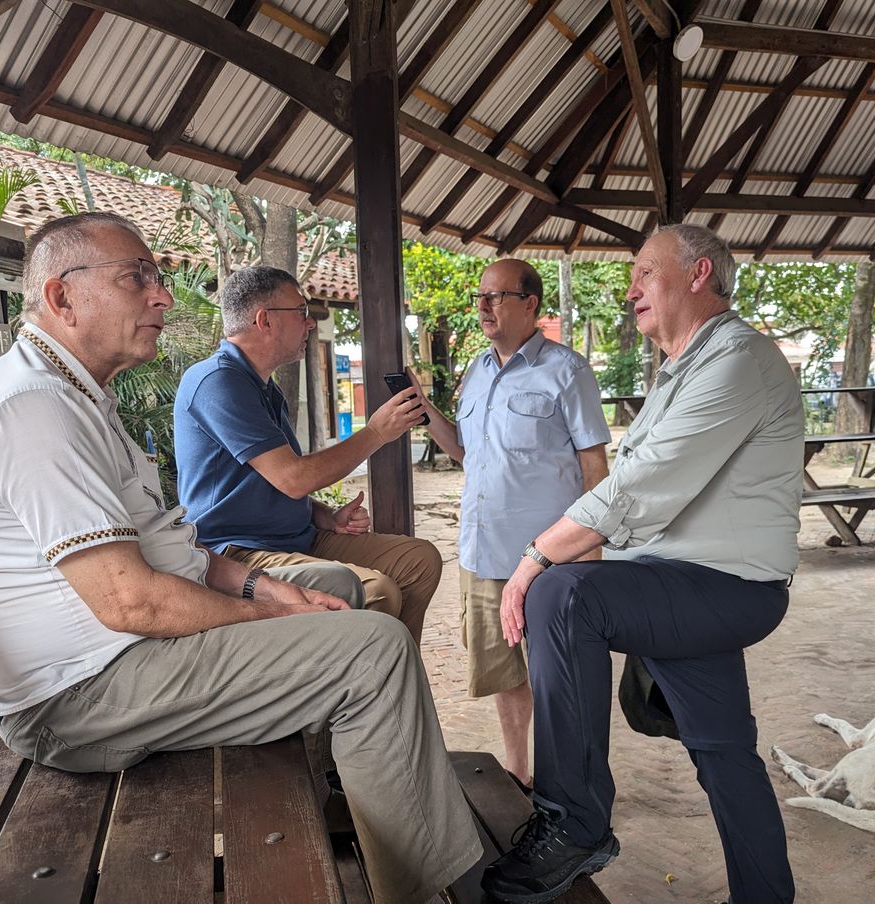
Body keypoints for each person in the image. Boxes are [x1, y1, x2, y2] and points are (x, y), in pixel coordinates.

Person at [0, 212, 482, 904]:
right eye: (137, 279)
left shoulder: (74, 398)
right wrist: (264, 617)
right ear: (61, 297)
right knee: (373, 650)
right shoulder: (29, 407)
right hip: (79, 696)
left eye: (157, 278)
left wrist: (267, 591)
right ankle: (436, 888)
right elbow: (131, 601)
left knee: (343, 601)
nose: (163, 296)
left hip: (117, 661)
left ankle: (373, 807)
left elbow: (173, 549)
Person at [481, 225, 802, 904]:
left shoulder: (737, 361)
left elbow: (642, 483)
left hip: (723, 588)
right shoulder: (684, 368)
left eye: (644, 274)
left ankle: (574, 823)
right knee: (723, 755)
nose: (630, 291)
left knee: (561, 597)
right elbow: (642, 503)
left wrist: (535, 557)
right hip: (684, 582)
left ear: (697, 274)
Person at [411, 258, 610, 791]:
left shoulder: (568, 371)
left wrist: (590, 556)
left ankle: (569, 782)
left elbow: (595, 466)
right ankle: (520, 773)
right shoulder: (477, 370)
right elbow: (462, 451)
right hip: (481, 554)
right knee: (504, 674)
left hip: (549, 560)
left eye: (497, 296)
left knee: (557, 678)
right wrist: (424, 406)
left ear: (531, 305)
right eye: (480, 296)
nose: (483, 306)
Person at [173, 266, 439, 645]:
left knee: (419, 560)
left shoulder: (263, 386)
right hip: (237, 551)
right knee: (376, 591)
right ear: (264, 320)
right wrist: (378, 432)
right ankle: (356, 690)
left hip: (295, 538)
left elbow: (270, 481)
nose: (310, 323)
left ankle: (393, 675)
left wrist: (325, 515)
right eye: (301, 312)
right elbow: (293, 477)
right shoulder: (217, 381)